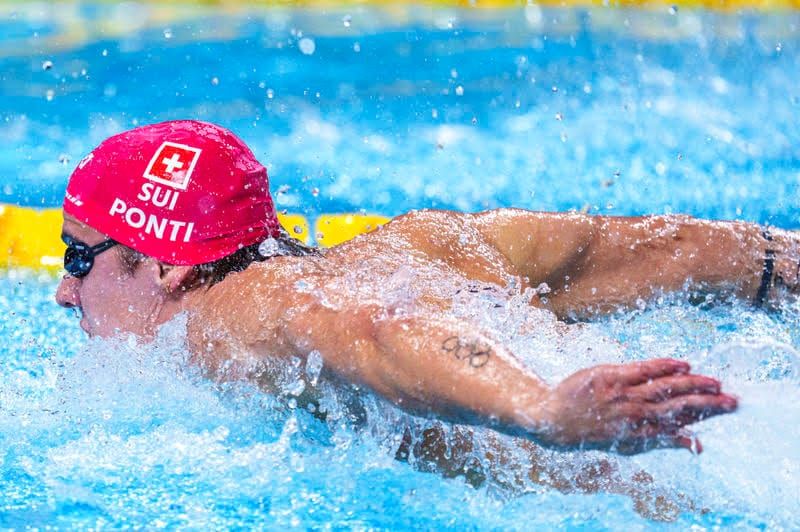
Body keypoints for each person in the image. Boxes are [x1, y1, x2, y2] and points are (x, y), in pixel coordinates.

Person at [62, 119, 799, 461]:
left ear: (165, 267)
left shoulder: (226, 321)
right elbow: (655, 249)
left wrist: (542, 409)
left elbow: (372, 328)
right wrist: (782, 261)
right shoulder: (418, 242)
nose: (66, 291)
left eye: (78, 255)